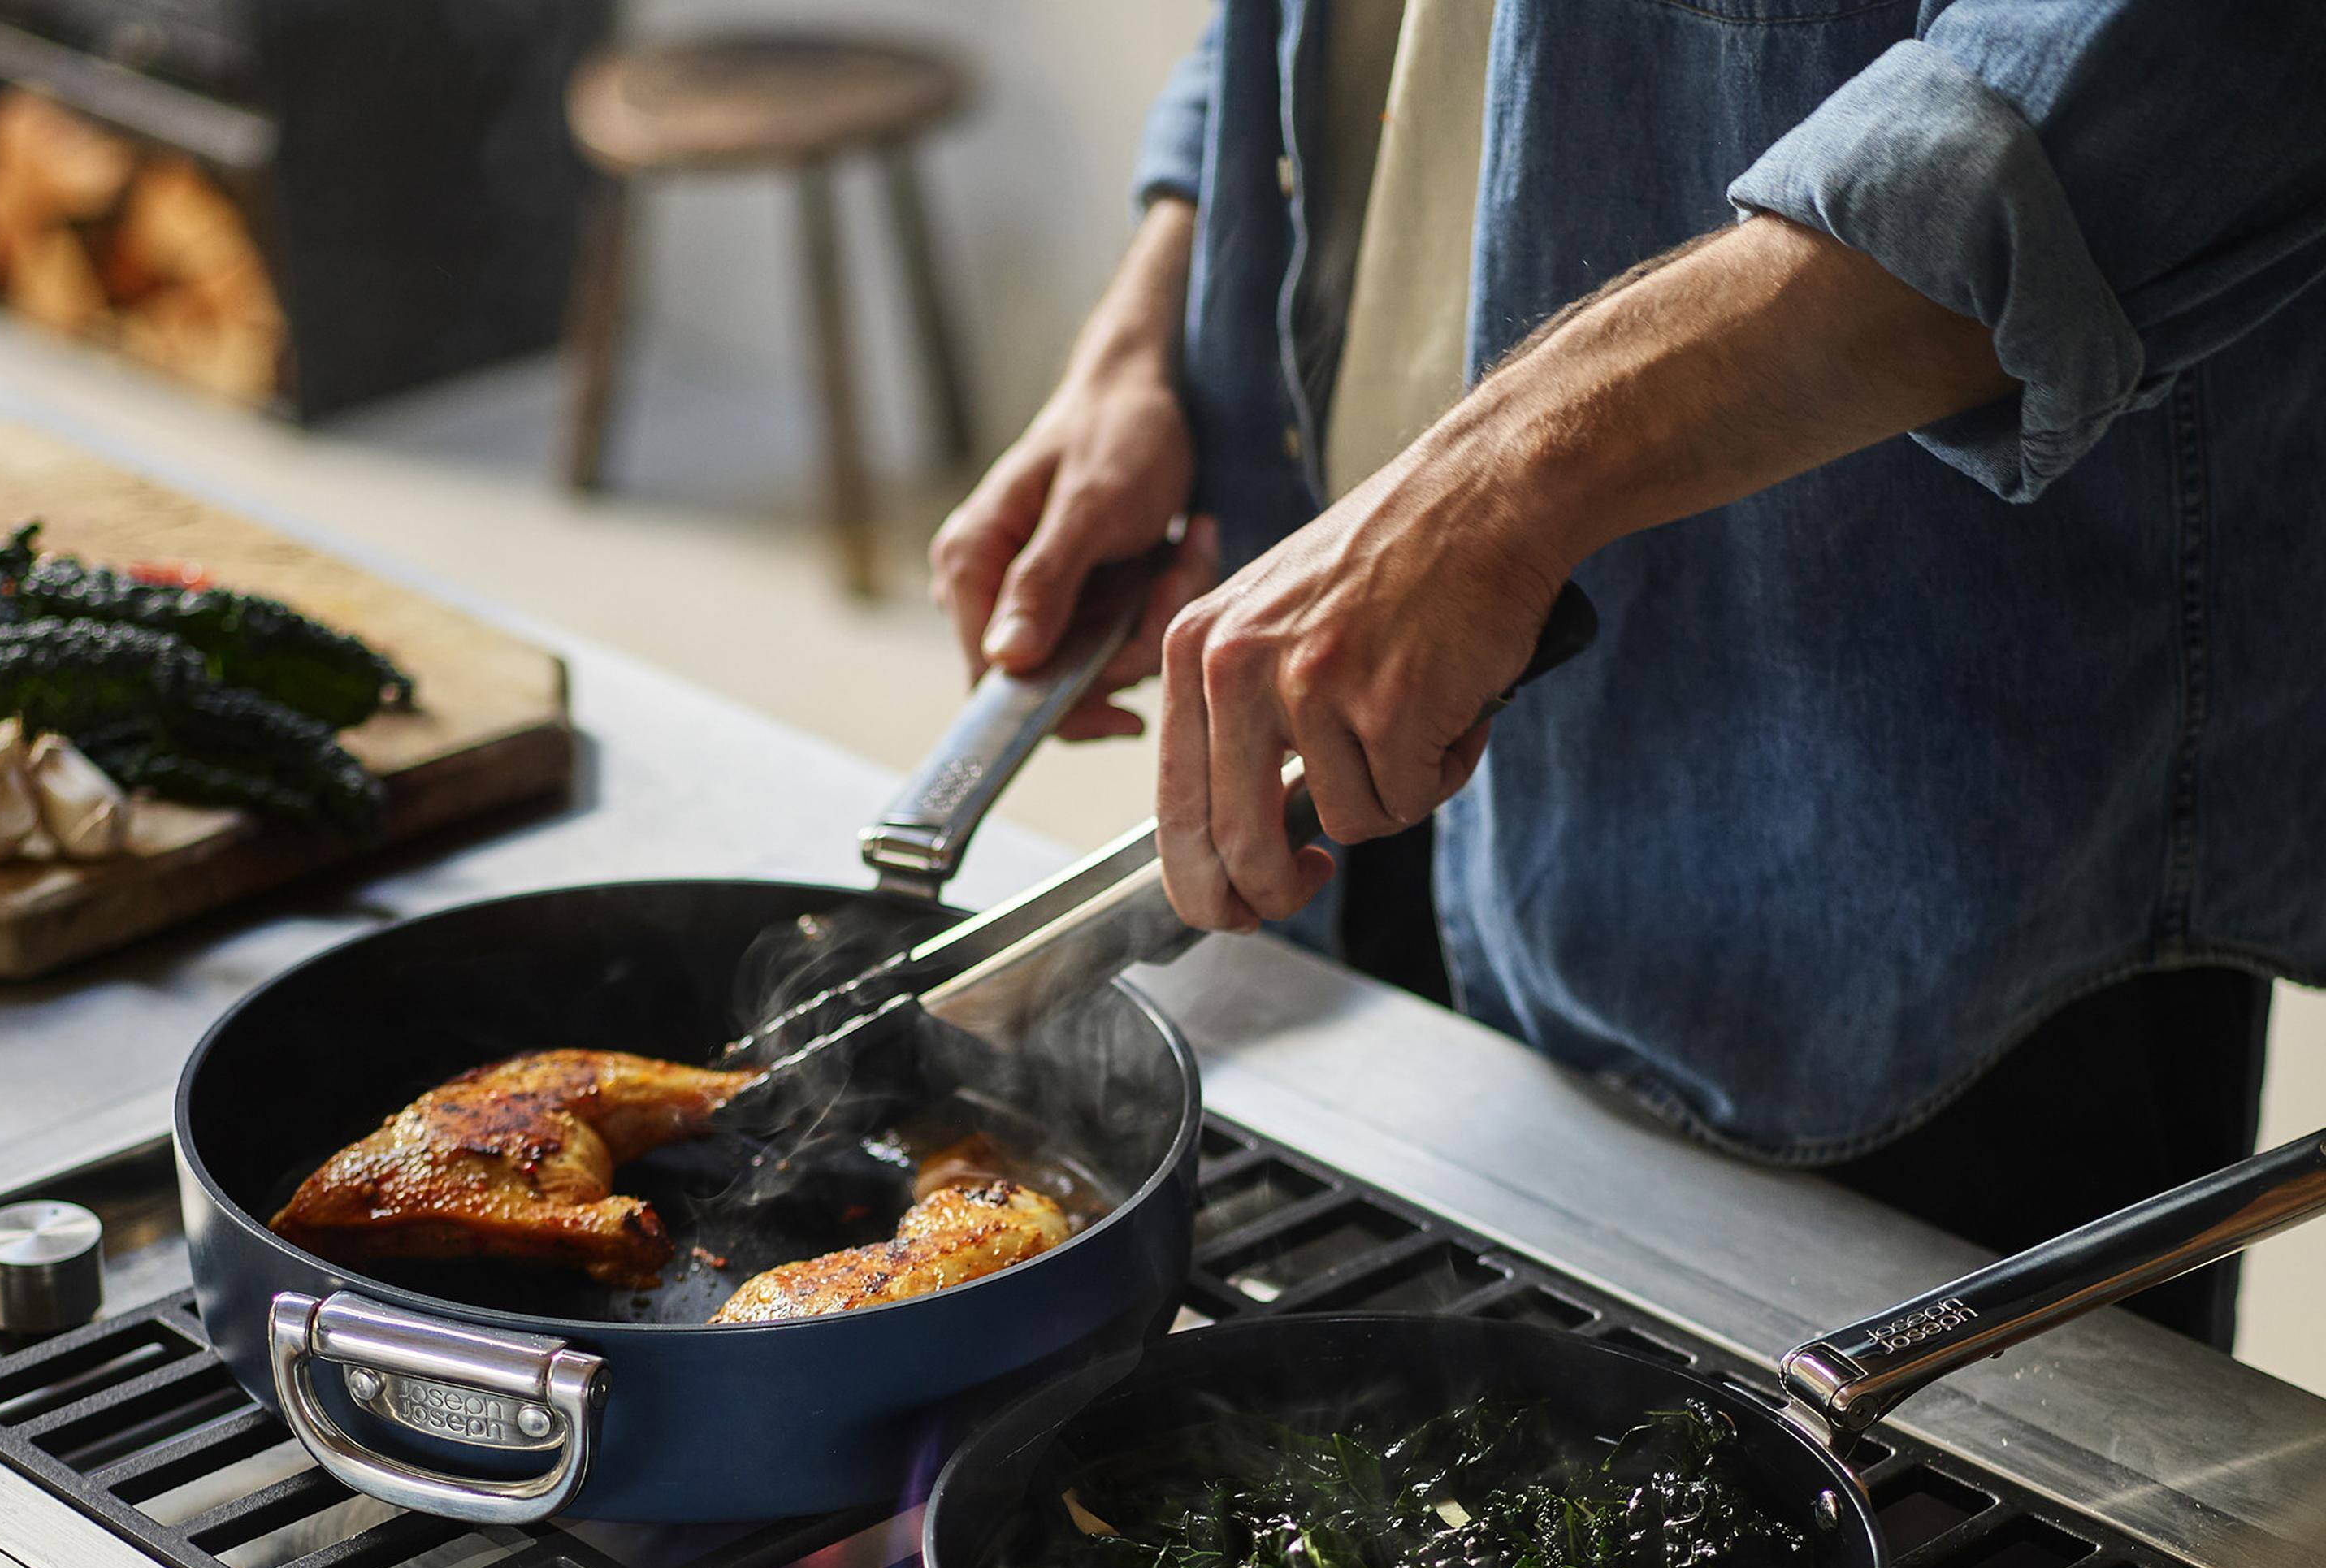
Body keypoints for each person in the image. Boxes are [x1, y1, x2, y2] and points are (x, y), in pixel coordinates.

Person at [929, 2, 2326, 1349]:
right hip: (1359, 684)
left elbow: (2157, 57)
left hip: (1903, 836)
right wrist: (1150, 319)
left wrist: (1497, 483)